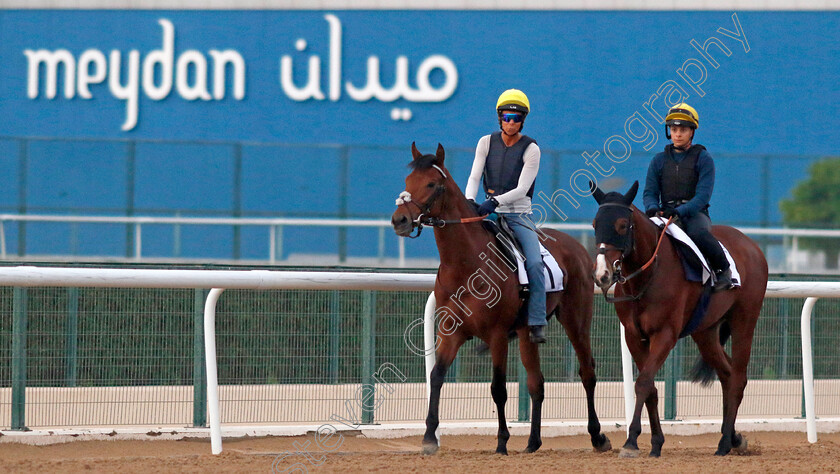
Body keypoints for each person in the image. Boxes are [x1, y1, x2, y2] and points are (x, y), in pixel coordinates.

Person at [464, 89, 547, 343]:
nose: (511, 122)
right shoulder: (485, 142)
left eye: (517, 117)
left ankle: (536, 321)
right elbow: (474, 177)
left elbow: (522, 189)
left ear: (524, 120)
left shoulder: (531, 148)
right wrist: (469, 200)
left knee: (534, 262)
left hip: (518, 216)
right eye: (507, 116)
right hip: (488, 214)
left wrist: (494, 201)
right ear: (499, 117)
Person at [642, 103, 733, 291]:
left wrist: (679, 211)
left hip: (694, 214)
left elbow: (703, 196)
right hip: (664, 213)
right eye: (673, 129)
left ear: (692, 132)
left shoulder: (703, 158)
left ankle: (723, 270)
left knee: (698, 234)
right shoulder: (658, 160)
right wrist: (652, 208)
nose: (677, 134)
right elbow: (650, 192)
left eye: (682, 130)